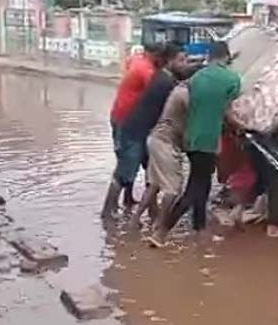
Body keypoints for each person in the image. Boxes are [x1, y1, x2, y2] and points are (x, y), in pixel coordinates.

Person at [149, 42, 241, 246]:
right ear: (227, 57)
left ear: (209, 56)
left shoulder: (197, 77)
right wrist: (242, 126)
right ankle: (162, 231)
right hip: (208, 140)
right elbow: (228, 112)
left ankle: (200, 232)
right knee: (195, 189)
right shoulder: (232, 79)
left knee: (203, 185)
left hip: (190, 139)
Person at [121, 44, 189, 227]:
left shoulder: (161, 77)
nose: (185, 64)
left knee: (154, 182)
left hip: (148, 134)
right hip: (150, 134)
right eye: (181, 60)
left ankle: (137, 219)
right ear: (170, 61)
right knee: (172, 188)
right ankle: (159, 224)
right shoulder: (169, 85)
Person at [102, 43, 165, 218]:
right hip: (128, 121)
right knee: (128, 163)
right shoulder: (147, 71)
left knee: (136, 160)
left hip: (123, 117)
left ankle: (128, 199)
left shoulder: (138, 60)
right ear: (158, 57)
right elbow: (158, 90)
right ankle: (108, 211)